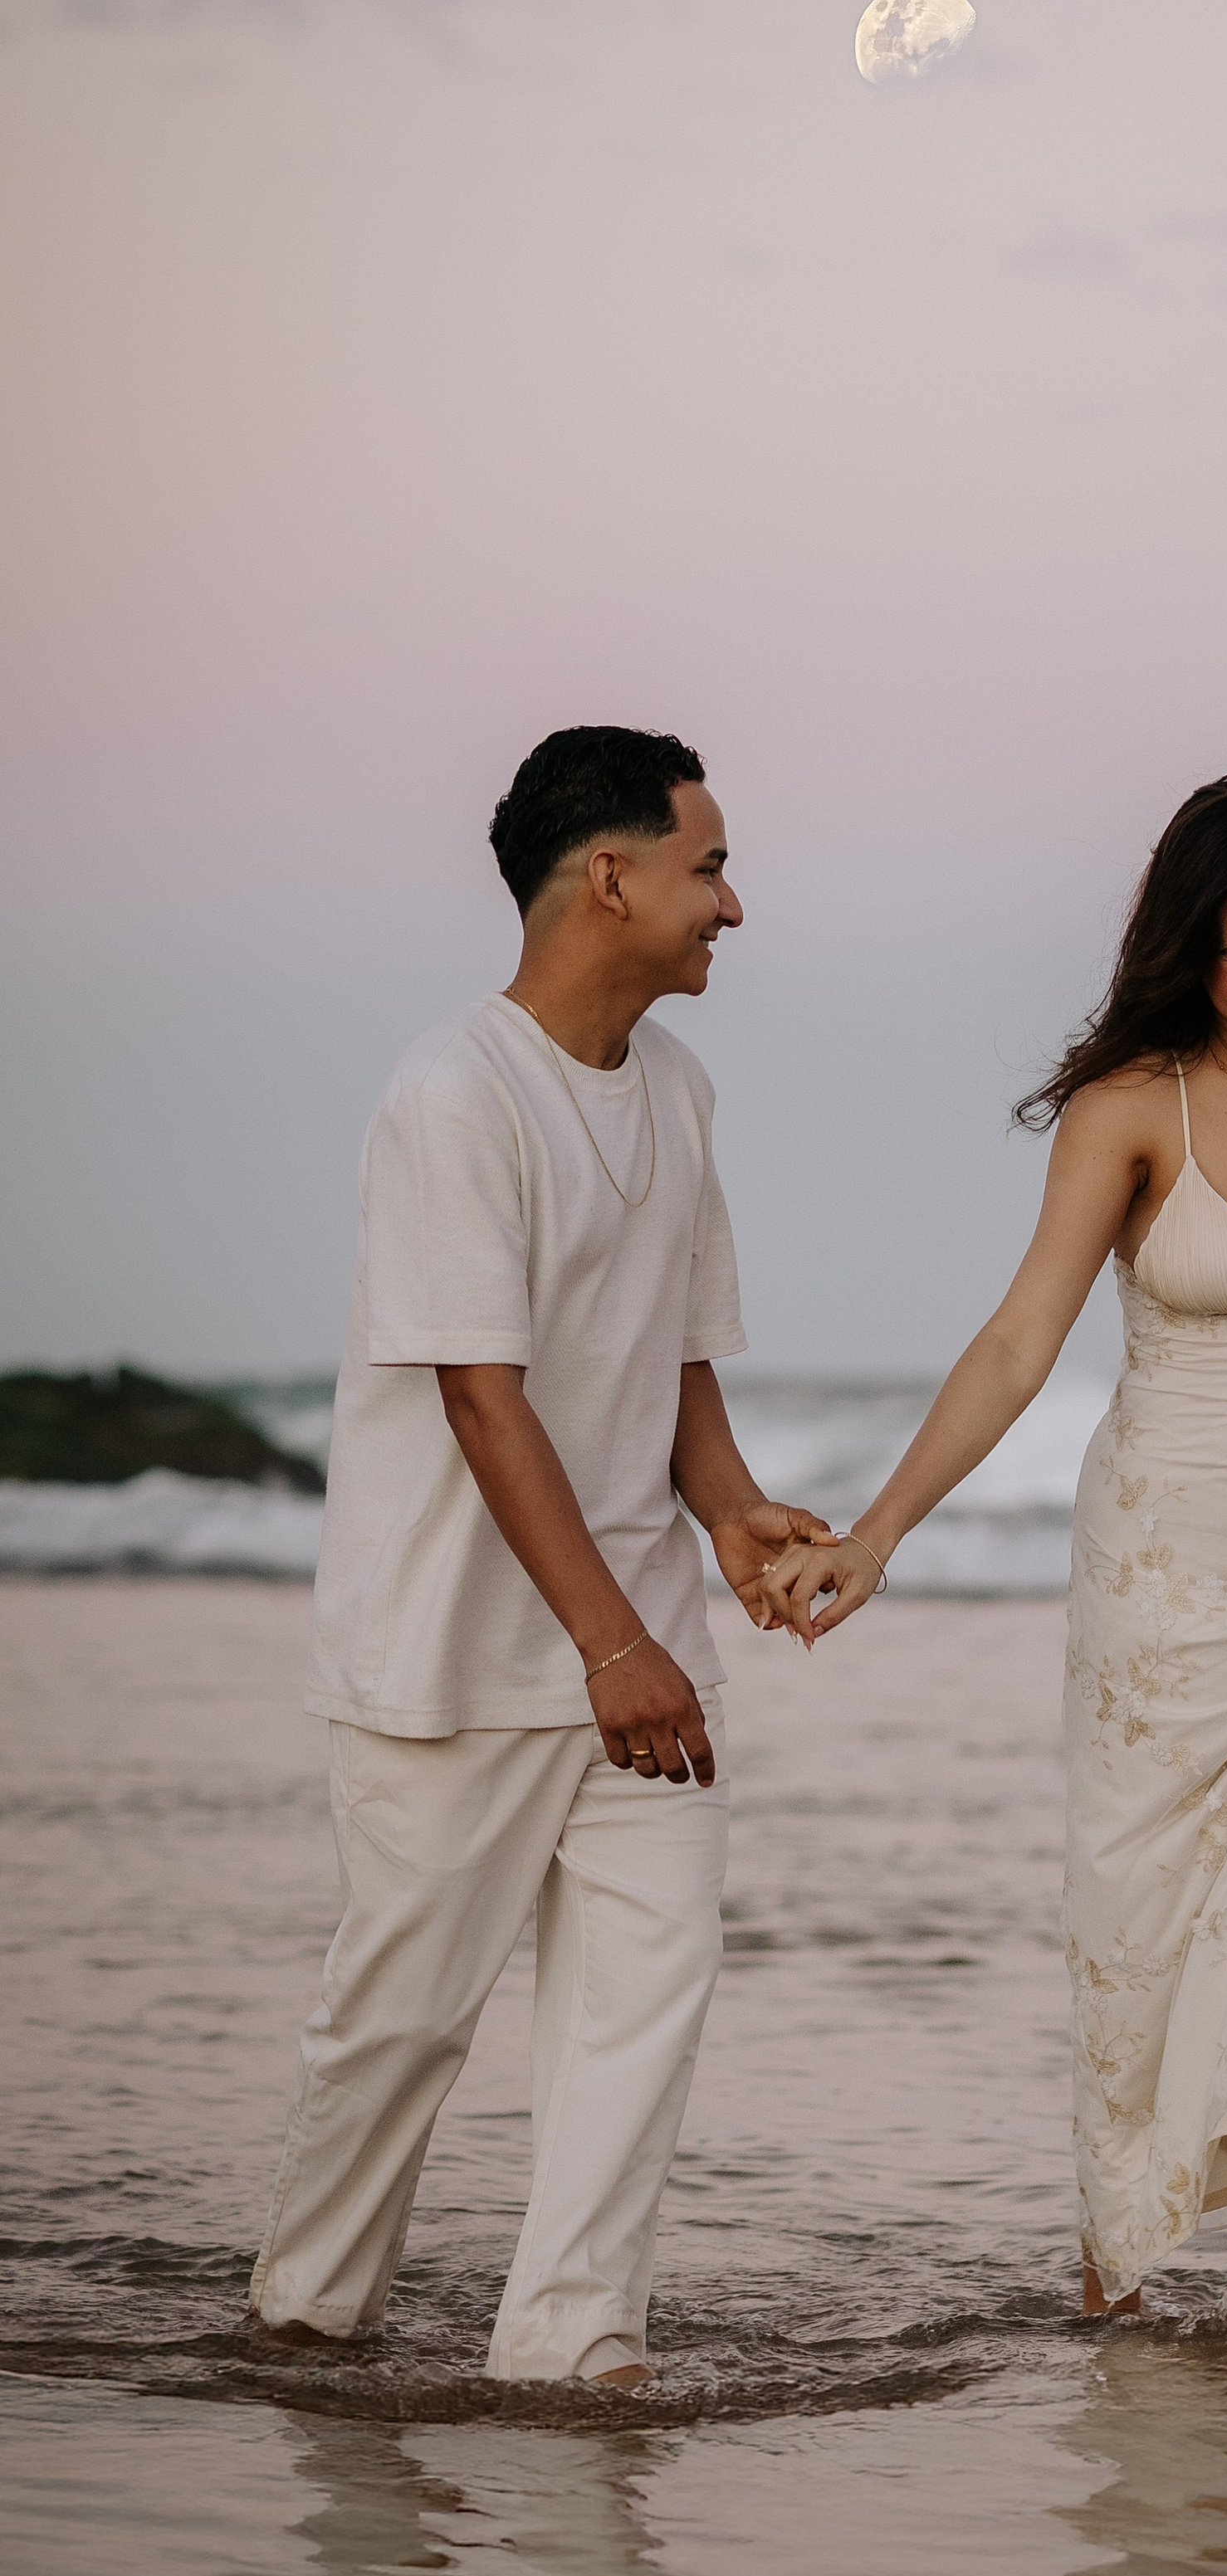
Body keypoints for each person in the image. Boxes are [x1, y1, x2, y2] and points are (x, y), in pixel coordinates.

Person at [763, 773, 1227, 2331]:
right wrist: (879, 1532)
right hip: (1176, 1592)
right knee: (1158, 1950)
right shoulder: (1133, 1111)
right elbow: (1017, 1342)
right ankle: (1117, 2288)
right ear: (1190, 953)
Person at [250, 725, 830, 2387]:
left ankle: (573, 2349)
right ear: (610, 877)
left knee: (641, 2009)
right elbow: (484, 1404)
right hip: (452, 1659)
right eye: (707, 866)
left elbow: (676, 1364)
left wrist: (728, 1517)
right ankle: (304, 2330)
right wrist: (608, 1649)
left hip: (634, 1647)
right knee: (401, 2029)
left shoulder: (681, 1089)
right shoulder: (452, 1093)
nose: (731, 903)